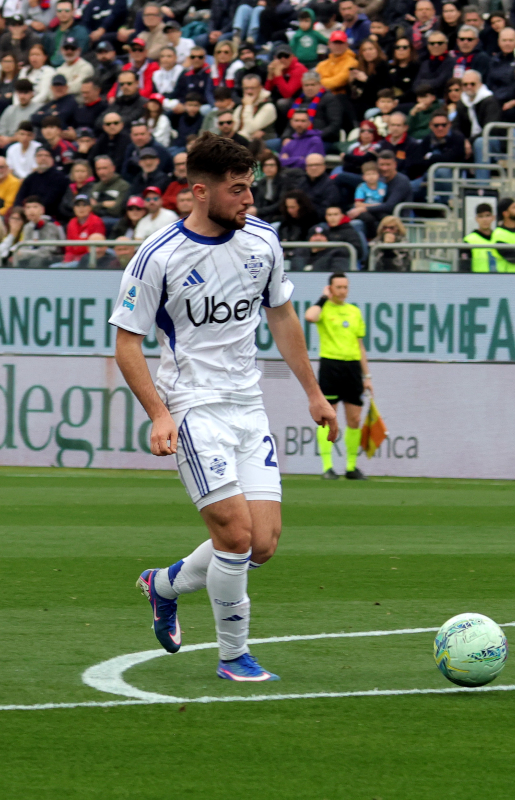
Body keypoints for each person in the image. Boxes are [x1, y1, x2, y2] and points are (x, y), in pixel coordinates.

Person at [112, 132, 337, 682]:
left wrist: (314, 393)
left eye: (251, 189)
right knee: (234, 536)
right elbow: (126, 342)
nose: (249, 201)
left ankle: (162, 585)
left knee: (262, 544)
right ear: (199, 192)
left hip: (248, 405)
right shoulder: (157, 257)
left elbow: (282, 316)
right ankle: (235, 655)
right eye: (237, 190)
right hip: (193, 407)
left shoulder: (263, 241)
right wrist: (159, 414)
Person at [304, 273, 370, 479]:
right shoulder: (323, 309)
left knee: (355, 418)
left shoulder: (354, 312)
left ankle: (351, 467)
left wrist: (367, 376)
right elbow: (309, 316)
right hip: (331, 366)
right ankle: (327, 467)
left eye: (345, 287)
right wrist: (323, 298)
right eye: (338, 287)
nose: (342, 291)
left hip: (352, 368)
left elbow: (360, 346)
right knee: (328, 417)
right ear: (330, 288)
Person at [461, 201, 497, 272]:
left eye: (487, 216)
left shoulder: (499, 237)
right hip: (478, 280)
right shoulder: (469, 240)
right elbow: (464, 268)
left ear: (493, 218)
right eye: (481, 216)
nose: (484, 219)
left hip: (501, 279)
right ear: (476, 219)